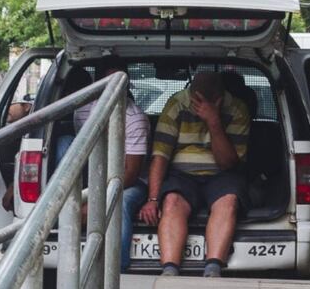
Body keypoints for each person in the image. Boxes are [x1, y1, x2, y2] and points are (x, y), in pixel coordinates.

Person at [139, 72, 250, 277]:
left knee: (228, 201)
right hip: (182, 175)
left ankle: (213, 269)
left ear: (219, 97)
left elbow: (228, 163)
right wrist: (153, 199)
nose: (196, 104)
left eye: (202, 100)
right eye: (194, 98)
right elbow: (160, 157)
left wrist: (213, 121)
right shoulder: (177, 104)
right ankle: (170, 271)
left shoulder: (237, 109)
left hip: (222, 174)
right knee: (171, 201)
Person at [74, 57, 150, 272]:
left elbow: (131, 174)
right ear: (98, 86)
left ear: (127, 86)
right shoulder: (83, 111)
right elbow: (78, 153)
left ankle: (116, 269)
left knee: (120, 201)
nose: (114, 90)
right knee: (63, 144)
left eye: (120, 84)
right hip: (93, 173)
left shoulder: (135, 119)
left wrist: (95, 199)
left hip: (129, 182)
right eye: (109, 84)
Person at [1, 99, 32, 212]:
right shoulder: (20, 132)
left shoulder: (35, 133)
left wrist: (14, 186)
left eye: (11, 103)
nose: (7, 109)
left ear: (27, 106)